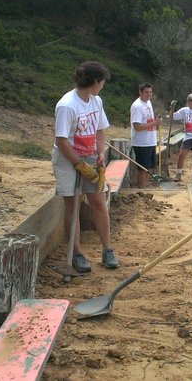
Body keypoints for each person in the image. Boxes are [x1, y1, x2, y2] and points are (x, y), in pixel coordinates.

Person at [52, 61, 119, 271]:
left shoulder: (96, 101)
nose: (103, 86)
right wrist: (78, 164)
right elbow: (61, 140)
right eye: (102, 82)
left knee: (98, 201)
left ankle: (107, 249)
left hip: (90, 156)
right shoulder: (67, 105)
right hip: (67, 158)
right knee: (73, 205)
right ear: (94, 82)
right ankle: (77, 253)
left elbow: (100, 130)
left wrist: (99, 154)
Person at [130, 82, 159, 188]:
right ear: (140, 92)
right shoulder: (137, 106)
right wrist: (154, 123)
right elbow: (136, 126)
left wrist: (155, 123)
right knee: (142, 168)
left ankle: (145, 187)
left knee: (150, 167)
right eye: (146, 92)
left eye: (150, 92)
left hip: (150, 140)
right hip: (141, 143)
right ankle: (141, 189)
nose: (148, 94)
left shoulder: (148, 102)